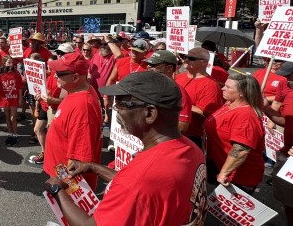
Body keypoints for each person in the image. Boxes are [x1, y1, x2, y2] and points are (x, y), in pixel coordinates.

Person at [45, 71, 207, 225]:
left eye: (122, 104)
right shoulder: (192, 150)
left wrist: (57, 190)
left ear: (150, 113)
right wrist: (94, 167)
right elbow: (144, 189)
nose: (116, 111)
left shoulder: (141, 177)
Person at [43, 53, 102, 190]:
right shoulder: (77, 91)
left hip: (68, 184)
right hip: (60, 174)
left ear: (75, 77)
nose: (55, 75)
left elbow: (77, 163)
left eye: (59, 73)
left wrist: (61, 188)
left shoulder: (83, 108)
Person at [204, 74, 264, 195]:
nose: (222, 88)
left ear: (241, 93)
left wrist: (224, 173)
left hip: (238, 176)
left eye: (228, 87)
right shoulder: (229, 104)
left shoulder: (246, 116)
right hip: (220, 166)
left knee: (228, 213)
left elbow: (241, 150)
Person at [263, 62, 293, 225]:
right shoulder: (292, 95)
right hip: (289, 158)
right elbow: (287, 121)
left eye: (289, 75)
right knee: (289, 203)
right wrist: (266, 108)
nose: (285, 78)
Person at [175, 47, 223, 148]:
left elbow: (206, 113)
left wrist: (182, 105)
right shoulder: (179, 77)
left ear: (204, 63)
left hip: (192, 136)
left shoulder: (210, 85)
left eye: (191, 58)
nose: (186, 60)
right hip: (173, 132)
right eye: (185, 56)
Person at [145, 50, 192, 132]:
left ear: (169, 68)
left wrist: (154, 134)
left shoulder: (179, 93)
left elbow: (182, 127)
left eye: (153, 65)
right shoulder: (144, 85)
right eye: (148, 63)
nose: (148, 66)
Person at [0, 56, 24, 146]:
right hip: (4, 99)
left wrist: (20, 99)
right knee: (7, 118)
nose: (11, 64)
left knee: (13, 118)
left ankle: (15, 135)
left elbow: (20, 87)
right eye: (9, 62)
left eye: (12, 62)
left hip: (14, 98)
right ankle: (10, 134)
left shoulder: (16, 73)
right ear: (4, 63)